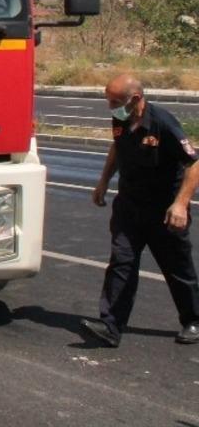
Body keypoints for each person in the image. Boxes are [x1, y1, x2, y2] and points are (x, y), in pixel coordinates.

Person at [81, 74, 199, 347]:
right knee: (121, 263)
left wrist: (180, 204)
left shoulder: (162, 123)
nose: (111, 107)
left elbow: (193, 164)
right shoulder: (121, 119)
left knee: (177, 268)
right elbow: (117, 148)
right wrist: (103, 182)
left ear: (135, 99)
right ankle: (110, 326)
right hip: (129, 207)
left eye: (115, 102)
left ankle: (193, 320)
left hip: (163, 211)